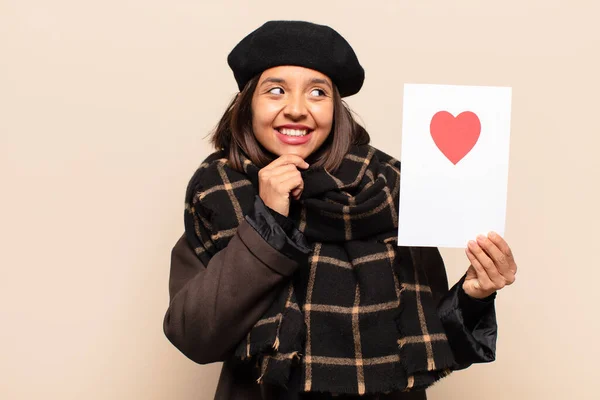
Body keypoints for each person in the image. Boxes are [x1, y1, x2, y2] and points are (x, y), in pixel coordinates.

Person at [163, 20, 517, 400]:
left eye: (317, 92)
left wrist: (474, 295)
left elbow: (428, 343)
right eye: (276, 90)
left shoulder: (390, 191)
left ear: (335, 109)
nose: (296, 109)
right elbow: (194, 337)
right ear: (248, 103)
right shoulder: (218, 192)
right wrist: (266, 221)